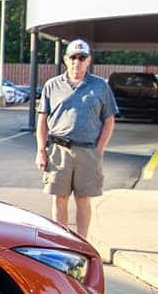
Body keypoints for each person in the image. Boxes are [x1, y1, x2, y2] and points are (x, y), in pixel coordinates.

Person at [36, 40, 117, 240]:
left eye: (81, 58)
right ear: (65, 59)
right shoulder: (52, 86)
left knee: (83, 198)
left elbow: (109, 120)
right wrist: (40, 151)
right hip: (58, 151)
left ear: (88, 60)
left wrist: (99, 149)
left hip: (88, 151)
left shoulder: (100, 86)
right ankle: (61, 243)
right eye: (73, 57)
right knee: (59, 198)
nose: (77, 62)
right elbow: (42, 120)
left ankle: (82, 243)